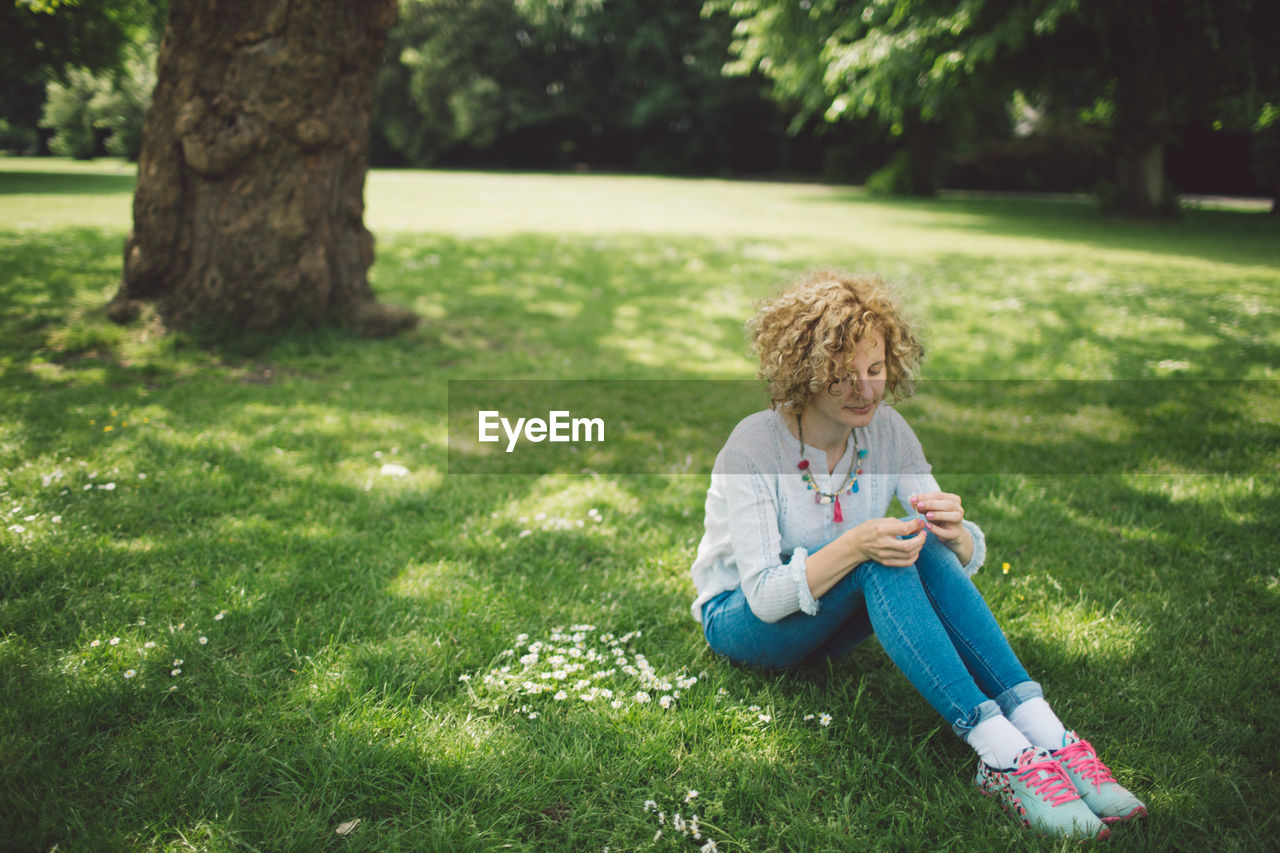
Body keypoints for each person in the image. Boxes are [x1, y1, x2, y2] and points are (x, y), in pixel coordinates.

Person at [689, 270, 1146, 840]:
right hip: (744, 621)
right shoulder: (754, 446)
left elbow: (955, 544)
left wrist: (957, 534)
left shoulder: (887, 432)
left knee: (914, 539)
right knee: (882, 549)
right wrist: (855, 543)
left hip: (827, 616)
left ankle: (1048, 736)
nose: (865, 390)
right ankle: (1003, 755)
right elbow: (762, 598)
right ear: (804, 373)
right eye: (842, 375)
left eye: (875, 370)